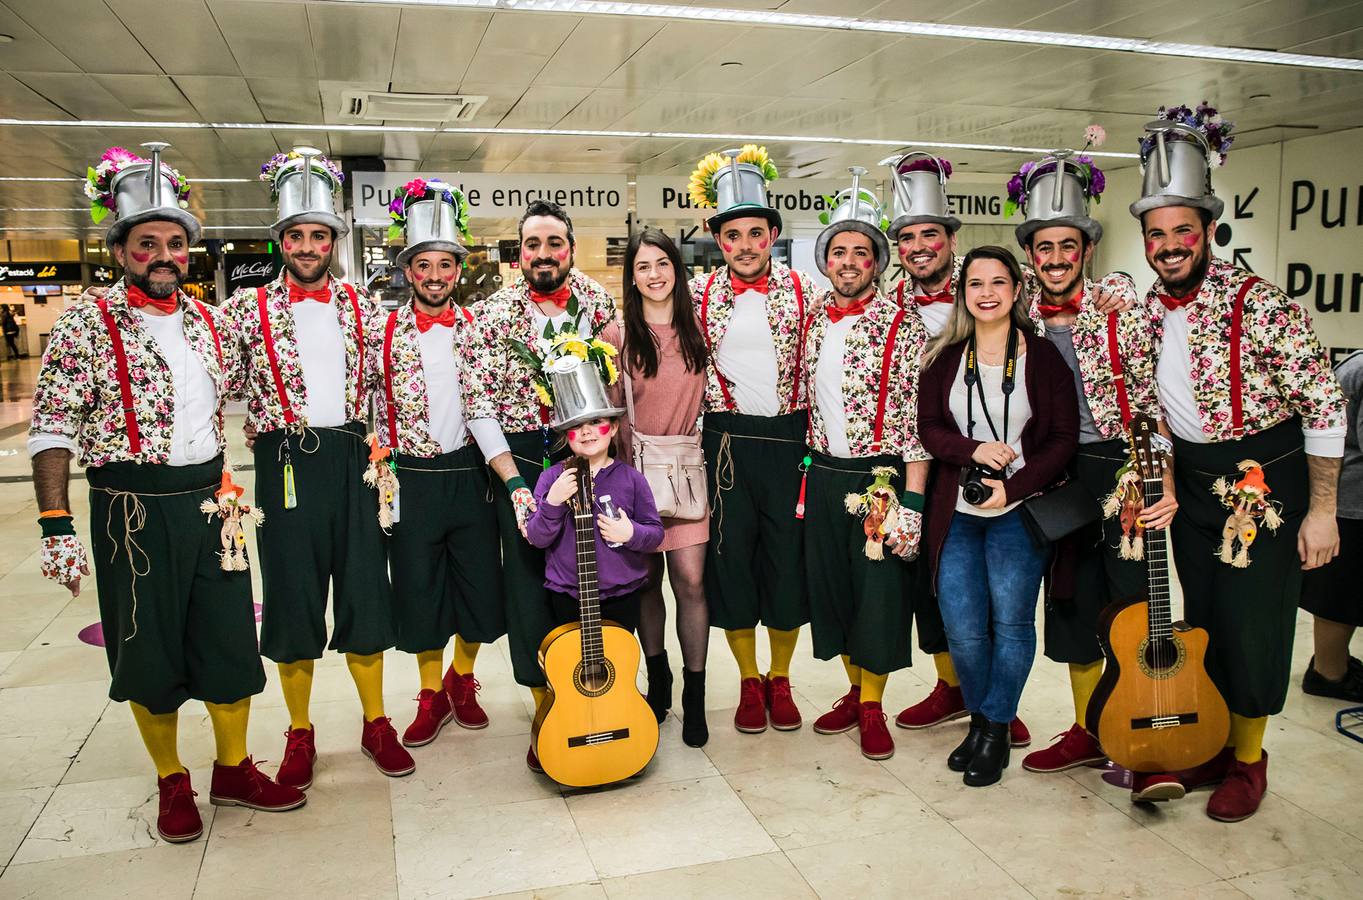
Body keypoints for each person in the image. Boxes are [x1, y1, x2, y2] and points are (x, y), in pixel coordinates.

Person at [29, 143, 304, 843]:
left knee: (229, 644)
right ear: (120, 250)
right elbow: (53, 426)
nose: (163, 255)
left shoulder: (211, 323)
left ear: (190, 253)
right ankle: (171, 780)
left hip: (212, 505)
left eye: (175, 244)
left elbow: (265, 384)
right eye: (147, 242)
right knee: (146, 652)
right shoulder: (82, 325)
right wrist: (56, 522)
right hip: (131, 511)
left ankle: (235, 769)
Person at [1129, 106, 1346, 820]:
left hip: (1265, 484)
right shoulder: (1142, 314)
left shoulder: (1264, 306)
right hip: (1191, 484)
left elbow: (1322, 407)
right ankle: (1213, 742)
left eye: (1181, 231)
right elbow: (1152, 413)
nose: (1168, 246)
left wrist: (1321, 510)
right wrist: (1156, 482)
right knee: (1204, 622)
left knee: (1253, 625)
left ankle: (1248, 759)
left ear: (1207, 233)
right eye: (1155, 234)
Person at [222, 147, 413, 788]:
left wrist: (386, 448)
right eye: (296, 235)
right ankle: (299, 731)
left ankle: (375, 723)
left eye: (318, 235)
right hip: (284, 464)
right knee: (293, 603)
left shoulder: (363, 306)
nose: (307, 245)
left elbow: (387, 386)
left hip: (355, 460)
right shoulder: (243, 312)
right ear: (281, 241)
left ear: (334, 239)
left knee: (365, 593)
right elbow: (214, 386)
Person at [1005, 150, 1178, 775]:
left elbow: (1156, 402)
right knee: (1073, 603)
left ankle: (1139, 725)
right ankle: (1088, 731)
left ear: (1085, 251)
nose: (1055, 259)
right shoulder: (1016, 323)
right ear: (1031, 255)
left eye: (1067, 247)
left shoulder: (1121, 312)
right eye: (1043, 248)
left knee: (1133, 606)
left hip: (1122, 468)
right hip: (1056, 472)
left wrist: (1160, 477)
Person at [462, 199, 617, 770]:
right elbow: (477, 406)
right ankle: (545, 703)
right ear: (518, 254)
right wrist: (515, 485)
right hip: (523, 458)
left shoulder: (598, 304)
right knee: (530, 586)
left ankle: (603, 688)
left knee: (597, 574)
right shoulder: (494, 315)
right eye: (533, 245)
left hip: (591, 452)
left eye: (555, 243)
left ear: (571, 250)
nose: (544, 254)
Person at [918, 246, 1079, 787]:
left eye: (998, 282)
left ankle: (992, 728)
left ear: (1016, 290)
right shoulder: (946, 356)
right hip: (957, 514)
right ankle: (987, 719)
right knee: (963, 631)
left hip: (1019, 512)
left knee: (1011, 623)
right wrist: (973, 451)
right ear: (964, 293)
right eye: (975, 283)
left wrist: (1010, 488)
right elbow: (930, 430)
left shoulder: (1042, 357)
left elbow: (1061, 441)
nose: (986, 293)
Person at [686, 146, 817, 735]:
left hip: (792, 441)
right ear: (719, 238)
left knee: (786, 564)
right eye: (732, 234)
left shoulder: (805, 292)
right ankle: (746, 678)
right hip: (725, 446)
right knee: (732, 564)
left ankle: (781, 678)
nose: (744, 245)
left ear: (772, 235)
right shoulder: (698, 296)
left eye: (755, 233)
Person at [376, 179, 512, 746]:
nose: (435, 276)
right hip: (409, 479)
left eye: (446, 266)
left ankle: (464, 677)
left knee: (479, 588)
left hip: (470, 477)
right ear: (409, 271)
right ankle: (431, 692)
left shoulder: (482, 329)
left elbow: (493, 404)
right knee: (420, 590)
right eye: (424, 266)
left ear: (459, 270)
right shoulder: (378, 330)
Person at [801, 169, 930, 761]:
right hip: (823, 473)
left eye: (860, 251)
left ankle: (874, 704)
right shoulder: (807, 319)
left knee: (878, 596)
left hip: (880, 475)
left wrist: (915, 502)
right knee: (836, 592)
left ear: (878, 262)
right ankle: (852, 692)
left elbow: (916, 417)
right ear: (825, 260)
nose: (848, 260)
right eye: (838, 250)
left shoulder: (904, 326)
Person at [525, 360, 665, 778]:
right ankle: (559, 727)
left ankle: (615, 720)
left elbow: (655, 534)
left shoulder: (631, 480)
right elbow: (536, 537)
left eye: (598, 422)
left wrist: (630, 533)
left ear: (614, 428)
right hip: (567, 596)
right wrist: (551, 504)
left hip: (621, 596)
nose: (587, 432)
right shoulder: (552, 477)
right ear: (565, 434)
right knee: (566, 670)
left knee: (616, 667)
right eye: (577, 426)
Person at [602, 227, 711, 747]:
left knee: (690, 581)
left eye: (662, 264)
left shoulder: (699, 327)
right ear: (632, 276)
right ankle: (658, 678)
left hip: (687, 473)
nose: (653, 275)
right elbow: (603, 409)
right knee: (645, 584)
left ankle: (695, 695)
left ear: (676, 269)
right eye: (642, 267)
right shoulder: (618, 335)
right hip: (635, 481)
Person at [1300, 349, 1363, 702]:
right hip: (1352, 504)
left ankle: (1333, 666)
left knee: (1344, 594)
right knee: (1342, 597)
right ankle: (1330, 673)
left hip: (1346, 499)